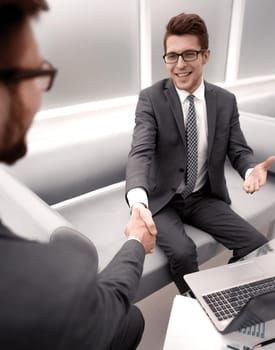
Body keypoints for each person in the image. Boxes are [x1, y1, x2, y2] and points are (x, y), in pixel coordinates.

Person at [0, 1, 157, 349]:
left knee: (131, 321)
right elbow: (97, 306)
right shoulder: (48, 277)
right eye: (35, 75)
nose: (39, 97)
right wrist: (134, 242)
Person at [126, 12, 275, 295]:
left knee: (256, 245)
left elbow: (237, 148)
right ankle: (196, 306)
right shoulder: (151, 98)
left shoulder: (225, 101)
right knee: (183, 252)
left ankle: (231, 298)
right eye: (172, 56)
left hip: (202, 196)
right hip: (162, 200)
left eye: (188, 54)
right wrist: (137, 205)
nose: (179, 65)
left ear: (205, 55)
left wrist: (248, 169)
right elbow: (140, 152)